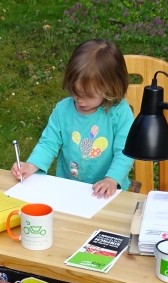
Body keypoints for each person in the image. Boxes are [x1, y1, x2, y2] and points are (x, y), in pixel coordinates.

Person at [11, 39, 134, 199]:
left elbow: (125, 153)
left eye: (88, 96)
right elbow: (48, 144)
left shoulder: (119, 113)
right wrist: (31, 164)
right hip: (69, 189)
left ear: (110, 87)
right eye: (75, 93)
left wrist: (111, 179)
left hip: (109, 193)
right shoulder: (63, 110)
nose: (80, 101)